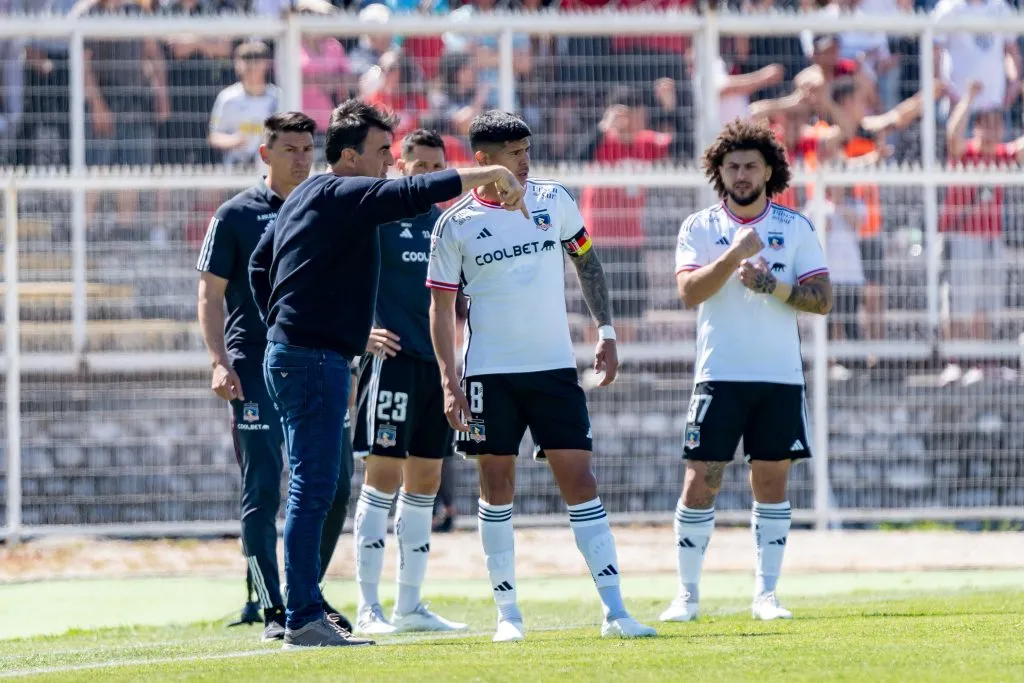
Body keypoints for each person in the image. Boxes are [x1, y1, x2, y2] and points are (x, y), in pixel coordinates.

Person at [247, 99, 527, 650]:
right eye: (381, 151)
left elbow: (260, 262)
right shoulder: (345, 190)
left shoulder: (306, 194)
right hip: (313, 358)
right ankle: (302, 616)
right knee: (313, 489)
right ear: (350, 156)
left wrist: (280, 324)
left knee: (315, 486)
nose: (387, 162)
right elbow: (416, 191)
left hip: (301, 354)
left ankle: (305, 608)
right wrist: (490, 172)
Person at [427, 110, 657, 643]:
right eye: (514, 154)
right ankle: (508, 615)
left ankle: (616, 611)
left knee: (580, 481)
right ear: (483, 161)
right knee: (497, 487)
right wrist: (448, 379)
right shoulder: (455, 223)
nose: (525, 161)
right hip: (489, 374)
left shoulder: (555, 199)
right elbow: (440, 309)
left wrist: (607, 331)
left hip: (554, 370)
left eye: (527, 150)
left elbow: (587, 262)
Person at [665, 119, 832, 624]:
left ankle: (766, 595)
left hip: (779, 379)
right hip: (718, 375)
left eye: (750, 166)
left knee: (771, 483)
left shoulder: (795, 227)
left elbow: (823, 300)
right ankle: (687, 596)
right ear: (718, 172)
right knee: (701, 482)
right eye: (732, 166)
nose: (741, 175)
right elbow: (688, 293)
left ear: (768, 171)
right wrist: (734, 255)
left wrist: (771, 286)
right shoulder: (699, 227)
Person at [195, 112, 353, 641]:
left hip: (318, 362)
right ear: (265, 154)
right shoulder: (235, 214)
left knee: (336, 485)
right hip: (253, 366)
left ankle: (307, 592)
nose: (302, 158)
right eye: (290, 149)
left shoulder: (325, 207)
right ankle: (272, 609)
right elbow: (209, 294)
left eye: (308, 148)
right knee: (263, 488)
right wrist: (219, 361)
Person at [349, 129, 467, 635]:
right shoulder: (378, 217)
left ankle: (410, 606)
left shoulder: (447, 223)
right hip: (391, 364)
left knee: (426, 484)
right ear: (401, 166)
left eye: (438, 167)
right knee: (381, 479)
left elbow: (459, 302)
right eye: (420, 166)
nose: (429, 175)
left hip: (435, 368)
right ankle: (367, 607)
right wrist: (358, 333)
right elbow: (337, 277)